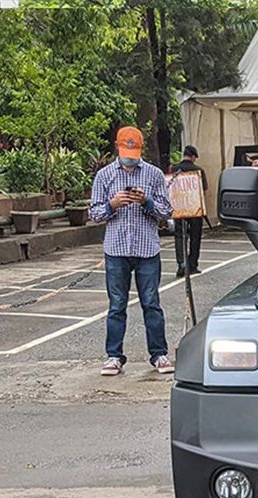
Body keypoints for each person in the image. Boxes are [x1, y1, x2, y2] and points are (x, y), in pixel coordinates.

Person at [89, 126, 175, 376]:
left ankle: (159, 354)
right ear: (117, 146)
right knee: (117, 304)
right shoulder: (104, 176)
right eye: (126, 151)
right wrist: (112, 205)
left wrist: (146, 201)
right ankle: (114, 355)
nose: (130, 156)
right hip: (116, 249)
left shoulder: (154, 174)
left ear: (140, 149)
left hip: (147, 248)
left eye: (134, 151)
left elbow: (167, 211)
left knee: (151, 303)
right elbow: (93, 213)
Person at [171, 145, 207, 277]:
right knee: (195, 237)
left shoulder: (174, 170)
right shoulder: (199, 170)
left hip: (179, 207)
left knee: (180, 235)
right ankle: (193, 265)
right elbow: (203, 191)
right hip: (195, 207)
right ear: (193, 157)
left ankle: (181, 264)